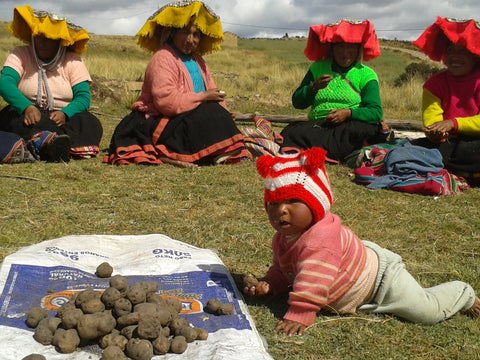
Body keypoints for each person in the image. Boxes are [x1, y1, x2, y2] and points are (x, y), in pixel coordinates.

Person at [244, 147, 480, 336]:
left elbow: (314, 277)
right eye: (273, 204)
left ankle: (463, 293)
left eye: (292, 201)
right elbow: (283, 269)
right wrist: (270, 284)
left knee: (427, 311)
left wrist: (300, 313)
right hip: (353, 283)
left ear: (316, 203)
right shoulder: (283, 238)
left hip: (382, 283)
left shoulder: (320, 237)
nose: (281, 211)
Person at [104, 1, 250, 167]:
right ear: (172, 33)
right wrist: (203, 97)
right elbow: (166, 103)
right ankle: (175, 154)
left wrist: (225, 112)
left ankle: (215, 150)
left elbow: (213, 91)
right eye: (185, 32)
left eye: (196, 35)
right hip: (158, 120)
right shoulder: (163, 58)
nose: (191, 39)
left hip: (186, 116)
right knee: (210, 112)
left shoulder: (199, 61)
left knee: (216, 111)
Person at [0, 5, 103, 162]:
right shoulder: (20, 54)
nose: (42, 42)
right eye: (38, 36)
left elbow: (83, 97)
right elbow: (5, 83)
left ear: (60, 41)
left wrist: (65, 113)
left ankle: (53, 144)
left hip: (62, 117)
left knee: (89, 122)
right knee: (12, 118)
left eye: (49, 38)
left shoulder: (73, 61)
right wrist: (27, 107)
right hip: (27, 115)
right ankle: (49, 143)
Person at [280, 19, 388, 162]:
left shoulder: (367, 74)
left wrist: (348, 113)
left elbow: (375, 112)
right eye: (340, 47)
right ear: (332, 48)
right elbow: (297, 102)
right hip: (320, 124)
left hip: (350, 125)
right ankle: (335, 153)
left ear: (358, 50)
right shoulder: (317, 68)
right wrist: (313, 88)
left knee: (359, 131)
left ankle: (317, 151)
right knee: (292, 131)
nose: (345, 53)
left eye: (351, 47)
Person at [411, 17, 480, 184]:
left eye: (462, 50)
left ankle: (450, 169)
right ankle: (466, 172)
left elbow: (451, 124)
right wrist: (435, 134)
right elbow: (432, 120)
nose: (455, 57)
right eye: (450, 49)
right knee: (417, 148)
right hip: (450, 144)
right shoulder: (434, 84)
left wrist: (453, 124)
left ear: (476, 53)